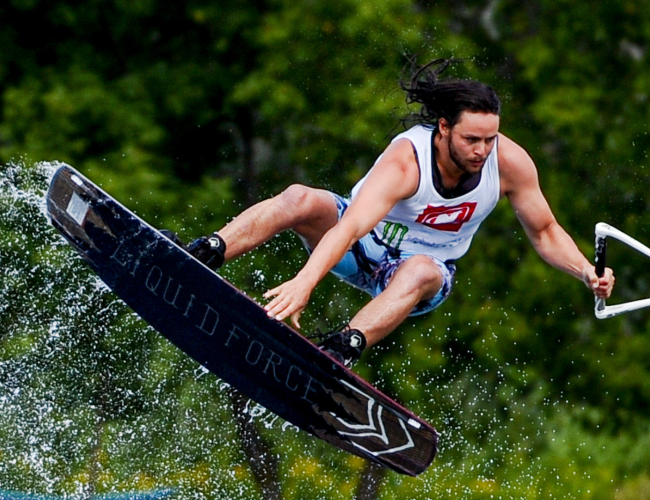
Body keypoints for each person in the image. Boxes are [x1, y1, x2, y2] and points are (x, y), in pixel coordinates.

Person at [167, 58, 615, 367]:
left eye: (490, 139)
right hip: (358, 243)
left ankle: (342, 347)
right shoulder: (406, 162)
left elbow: (545, 230)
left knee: (421, 268)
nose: (482, 151)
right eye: (471, 140)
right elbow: (350, 226)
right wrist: (305, 283)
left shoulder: (509, 162)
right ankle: (202, 254)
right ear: (443, 128)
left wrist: (584, 272)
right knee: (301, 198)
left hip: (416, 277)